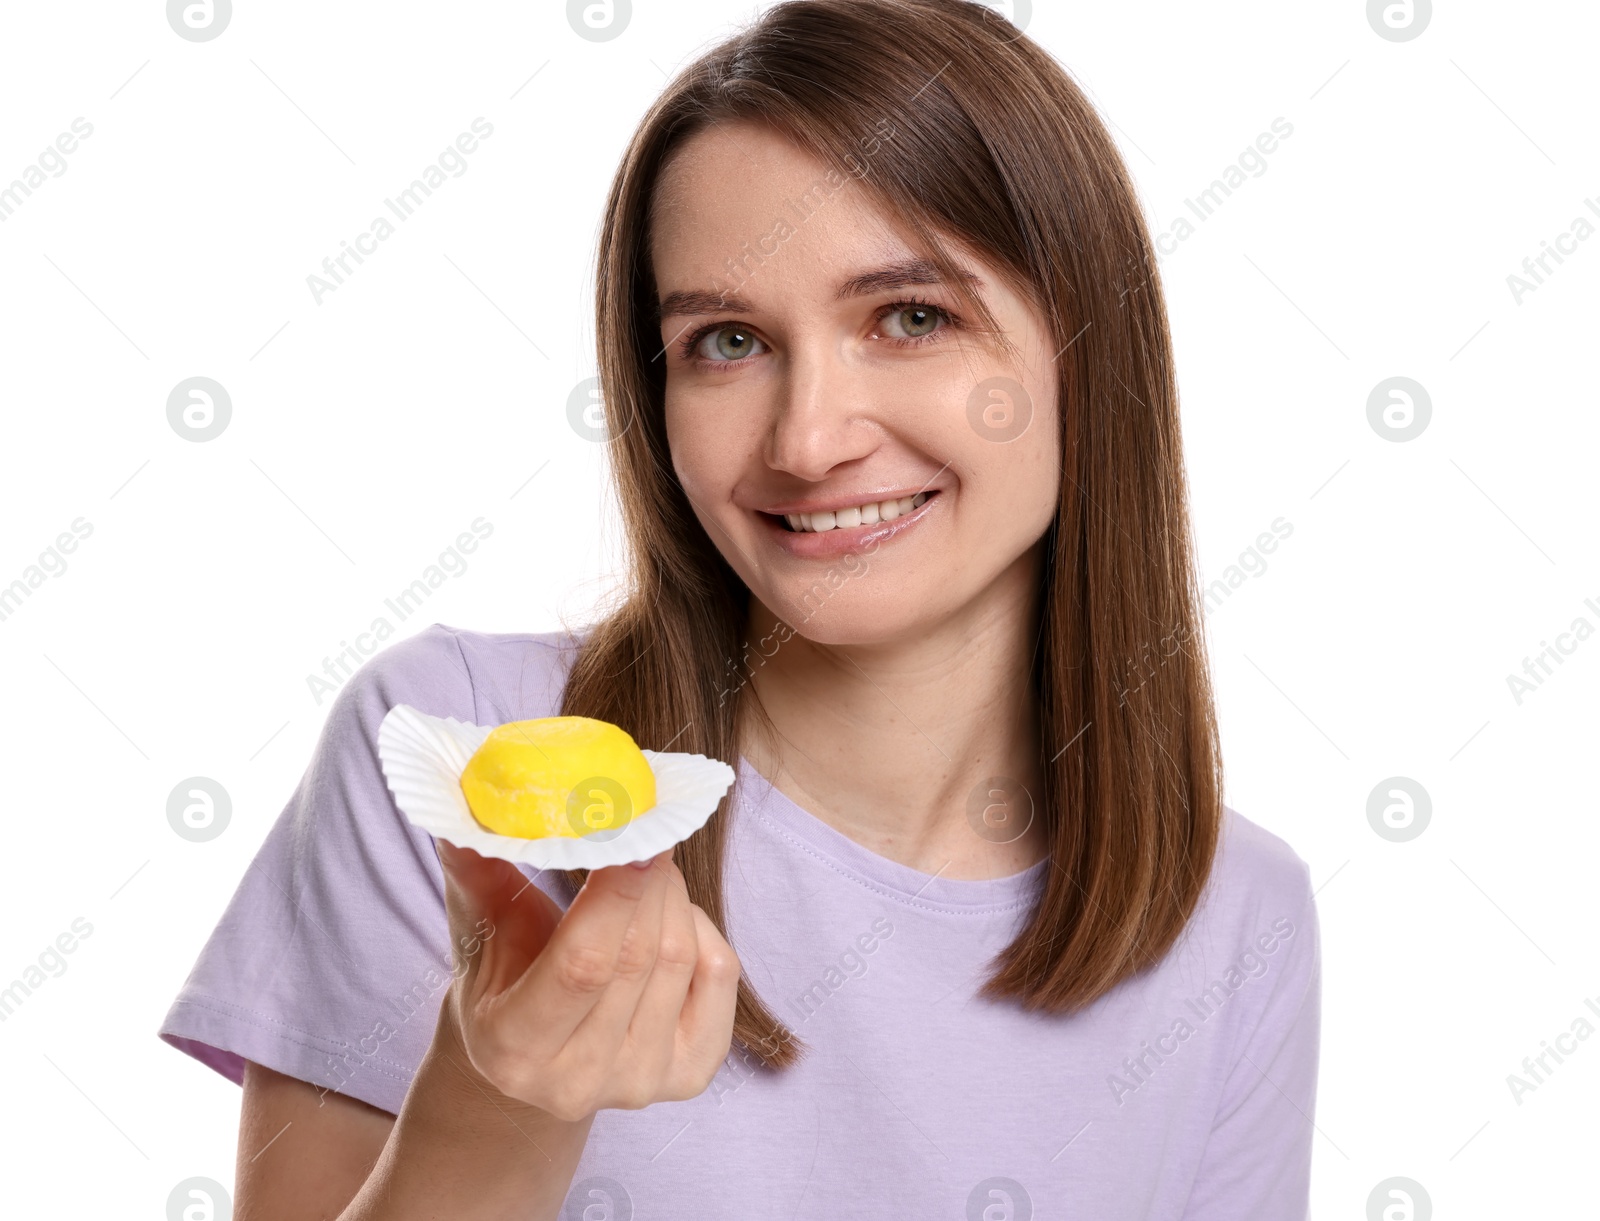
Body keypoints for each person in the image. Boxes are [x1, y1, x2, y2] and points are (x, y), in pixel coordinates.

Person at [158, 1, 1321, 1216]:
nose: (810, 439)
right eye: (725, 342)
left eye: (909, 317)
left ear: (1091, 345)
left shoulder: (1237, 915)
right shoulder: (459, 761)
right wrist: (498, 1106)